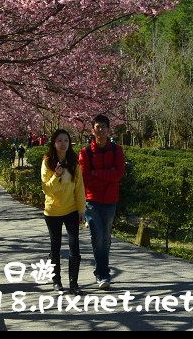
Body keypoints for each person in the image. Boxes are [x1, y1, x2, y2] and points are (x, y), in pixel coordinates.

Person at [78, 114, 125, 290]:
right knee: (97, 237)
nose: (101, 130)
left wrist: (97, 173)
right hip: (92, 201)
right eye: (98, 127)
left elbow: (118, 174)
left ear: (108, 129)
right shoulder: (85, 152)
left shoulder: (116, 150)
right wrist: (107, 174)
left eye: (104, 126)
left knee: (105, 238)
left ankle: (103, 270)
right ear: (93, 130)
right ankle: (102, 274)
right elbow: (85, 178)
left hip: (110, 200)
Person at [42, 129, 86, 295]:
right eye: (59, 141)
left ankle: (74, 283)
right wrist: (56, 175)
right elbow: (46, 189)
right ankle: (56, 280)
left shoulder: (74, 162)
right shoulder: (47, 162)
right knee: (56, 245)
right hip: (53, 211)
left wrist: (81, 209)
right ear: (54, 143)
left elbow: (80, 187)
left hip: (71, 210)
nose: (63, 144)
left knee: (74, 246)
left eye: (66, 140)